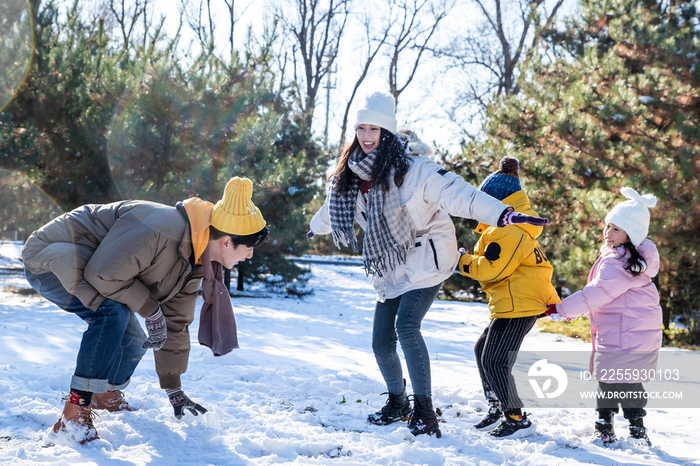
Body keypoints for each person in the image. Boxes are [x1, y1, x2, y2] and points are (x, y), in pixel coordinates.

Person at [307, 91, 548, 438]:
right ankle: (398, 402)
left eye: (374, 128)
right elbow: (332, 207)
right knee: (380, 342)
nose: (366, 135)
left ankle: (424, 409)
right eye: (361, 127)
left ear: (386, 132)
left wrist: (502, 213)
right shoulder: (351, 174)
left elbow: (461, 194)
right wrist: (314, 226)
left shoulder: (416, 170)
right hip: (390, 262)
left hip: (429, 258)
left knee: (407, 327)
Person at [22, 177, 268, 444]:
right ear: (227, 241)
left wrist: (173, 387)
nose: (250, 256)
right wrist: (151, 311)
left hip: (91, 267)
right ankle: (73, 414)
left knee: (136, 339)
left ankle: (105, 393)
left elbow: (174, 322)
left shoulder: (197, 258)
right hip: (51, 258)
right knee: (112, 315)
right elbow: (103, 274)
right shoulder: (163, 228)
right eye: (250, 248)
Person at [545, 187, 661, 446]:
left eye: (616, 229)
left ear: (632, 234)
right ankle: (632, 429)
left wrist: (561, 310)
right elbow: (603, 296)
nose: (608, 233)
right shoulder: (633, 258)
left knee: (612, 382)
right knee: (625, 382)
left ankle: (614, 428)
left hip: (623, 334)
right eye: (608, 227)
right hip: (629, 332)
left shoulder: (618, 261)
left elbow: (596, 293)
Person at [456, 156, 560, 439]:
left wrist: (461, 261)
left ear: (497, 203)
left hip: (520, 305)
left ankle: (516, 418)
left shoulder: (510, 231)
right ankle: (497, 405)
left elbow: (491, 269)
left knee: (495, 361)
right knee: (483, 351)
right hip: (512, 303)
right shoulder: (499, 229)